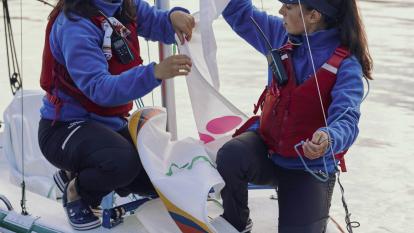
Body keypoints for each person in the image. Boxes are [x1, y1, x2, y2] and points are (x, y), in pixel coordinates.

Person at [37, 0, 194, 230]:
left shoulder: (124, 5)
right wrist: (154, 73)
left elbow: (156, 22)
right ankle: (77, 193)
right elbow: (99, 89)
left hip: (106, 126)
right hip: (63, 128)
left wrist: (174, 18)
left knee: (156, 178)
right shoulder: (74, 25)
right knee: (122, 164)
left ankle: (74, 171)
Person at [217, 0, 373, 232]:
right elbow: (236, 10)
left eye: (288, 6)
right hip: (268, 153)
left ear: (313, 16)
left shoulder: (347, 65)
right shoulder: (280, 36)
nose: (281, 11)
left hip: (308, 168)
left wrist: (328, 137)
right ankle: (236, 223)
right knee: (230, 155)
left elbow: (347, 120)